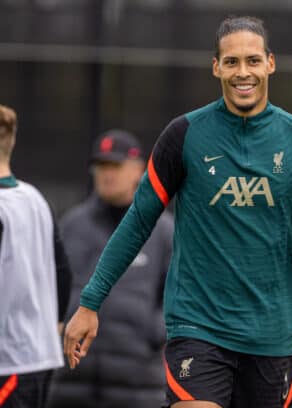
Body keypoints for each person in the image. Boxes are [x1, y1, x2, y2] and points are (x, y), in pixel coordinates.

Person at [63, 16, 292, 408]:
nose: (243, 73)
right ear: (216, 67)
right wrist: (90, 304)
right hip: (198, 330)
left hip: (273, 339)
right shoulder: (183, 135)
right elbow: (137, 222)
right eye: (232, 62)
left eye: (253, 61)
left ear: (270, 63)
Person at [47, 130, 174, 408]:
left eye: (115, 166)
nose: (107, 174)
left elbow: (179, 292)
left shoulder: (164, 231)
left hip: (138, 385)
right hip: (70, 383)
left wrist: (152, 332)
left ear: (139, 169)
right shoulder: (72, 225)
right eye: (101, 166)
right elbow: (49, 286)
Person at [0, 104, 72, 407]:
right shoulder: (34, 198)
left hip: (9, 363)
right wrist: (52, 324)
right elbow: (63, 270)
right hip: (36, 358)